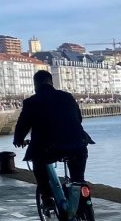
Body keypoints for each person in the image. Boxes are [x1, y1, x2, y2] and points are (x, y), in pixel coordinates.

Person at [13, 70, 93, 208]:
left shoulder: (31, 102)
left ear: (35, 84)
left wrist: (18, 139)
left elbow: (23, 124)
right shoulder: (67, 97)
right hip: (78, 143)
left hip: (49, 148)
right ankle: (81, 206)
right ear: (51, 82)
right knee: (77, 179)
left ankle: (47, 198)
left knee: (38, 163)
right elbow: (78, 119)